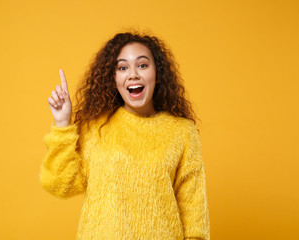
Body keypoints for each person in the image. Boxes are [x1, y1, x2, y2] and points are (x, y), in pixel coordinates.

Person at [39, 32, 210, 240]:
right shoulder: (95, 128)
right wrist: (62, 123)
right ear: (114, 78)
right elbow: (59, 184)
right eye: (122, 67)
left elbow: (194, 214)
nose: (133, 74)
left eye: (142, 65)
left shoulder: (182, 133)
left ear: (157, 74)